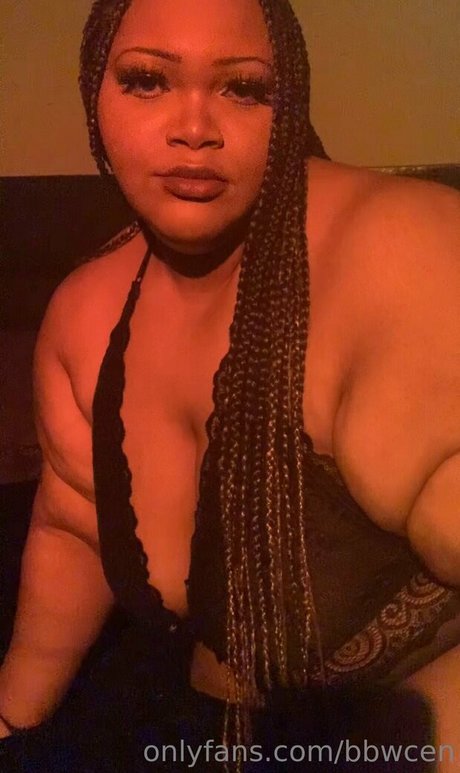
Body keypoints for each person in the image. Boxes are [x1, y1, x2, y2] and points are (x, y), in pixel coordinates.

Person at [0, 0, 459, 770]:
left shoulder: (405, 258)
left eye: (243, 89)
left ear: (291, 102)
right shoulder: (87, 314)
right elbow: (75, 525)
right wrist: (12, 715)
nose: (194, 127)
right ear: (94, 94)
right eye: (147, 81)